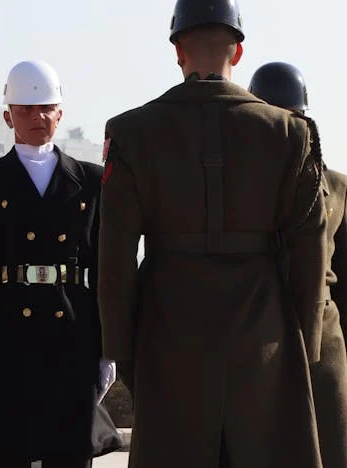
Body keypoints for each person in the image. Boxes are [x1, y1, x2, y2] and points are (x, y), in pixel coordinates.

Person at [98, 0, 328, 466]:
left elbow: (115, 256)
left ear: (178, 51)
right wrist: (303, 345)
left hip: (169, 331)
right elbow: (310, 254)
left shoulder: (131, 132)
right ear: (238, 52)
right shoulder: (291, 133)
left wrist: (121, 351)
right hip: (263, 335)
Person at [0, 60, 122, 468]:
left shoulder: (91, 181)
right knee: (6, 452)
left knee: (70, 455)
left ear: (60, 114)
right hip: (7, 335)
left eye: (46, 108)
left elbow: (105, 272)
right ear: (8, 116)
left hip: (72, 332)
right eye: (26, 109)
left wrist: (108, 348)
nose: (38, 117)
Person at [248, 61, 347, 468]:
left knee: (330, 446)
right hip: (258, 334)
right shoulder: (240, 187)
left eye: (293, 118)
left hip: (323, 337)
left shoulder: (336, 186)